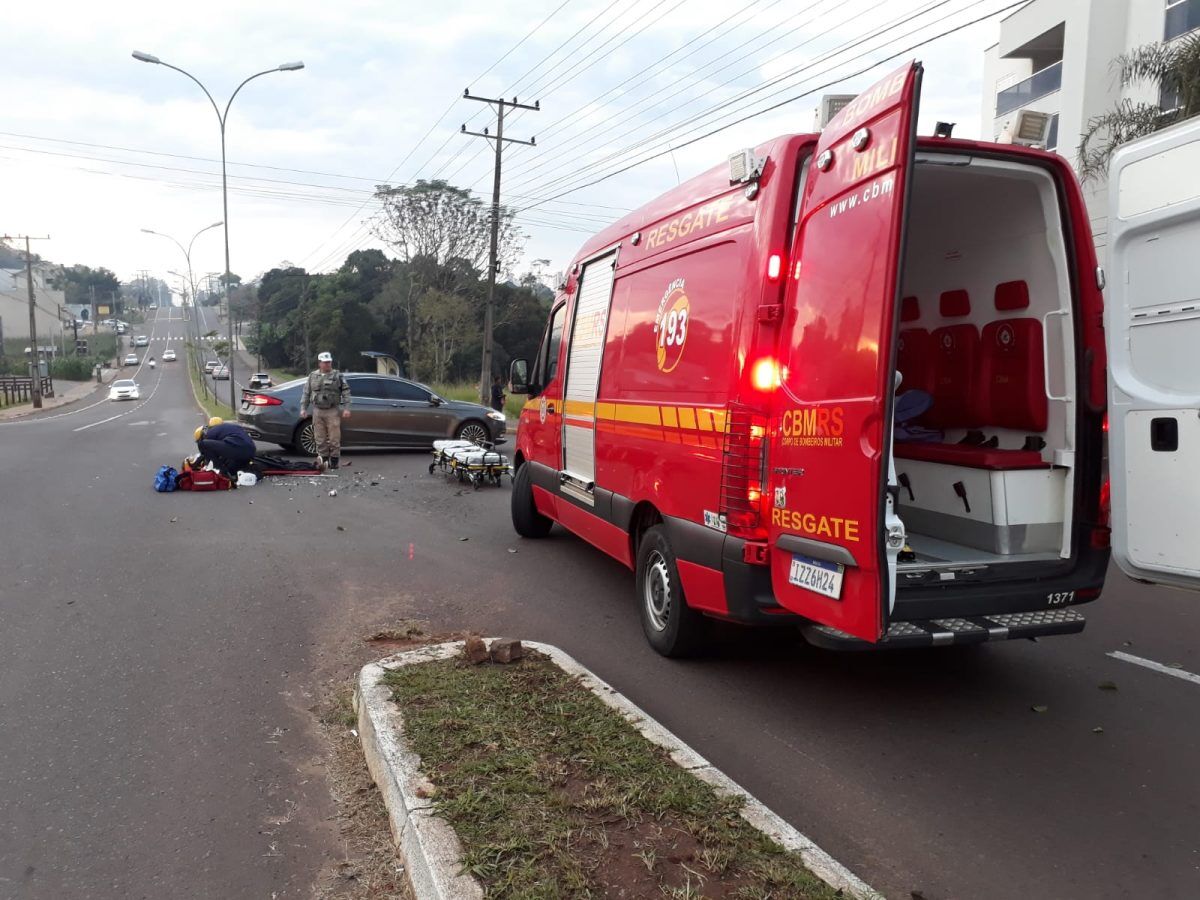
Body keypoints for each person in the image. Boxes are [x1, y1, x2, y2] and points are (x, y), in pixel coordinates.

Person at [300, 351, 351, 470]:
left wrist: (347, 408)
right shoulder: (313, 376)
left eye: (329, 362)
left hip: (332, 410)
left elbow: (346, 392)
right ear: (320, 363)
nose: (328, 365)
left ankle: (334, 460)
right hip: (317, 410)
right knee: (319, 438)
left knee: (334, 438)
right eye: (325, 363)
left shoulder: (338, 376)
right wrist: (303, 408)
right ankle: (323, 459)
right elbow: (306, 393)